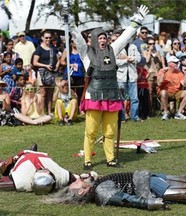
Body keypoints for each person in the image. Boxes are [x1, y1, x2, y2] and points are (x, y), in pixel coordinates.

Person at [70, 5, 149, 169]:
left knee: (110, 132)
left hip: (112, 96)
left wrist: (138, 19)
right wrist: (70, 23)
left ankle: (110, 158)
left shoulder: (113, 50)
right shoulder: (86, 53)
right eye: (99, 38)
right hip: (94, 95)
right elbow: (77, 38)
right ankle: (87, 160)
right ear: (93, 39)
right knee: (91, 132)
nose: (102, 40)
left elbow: (126, 37)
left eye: (104, 38)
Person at [44, 168, 186, 210]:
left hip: (147, 176)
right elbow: (126, 199)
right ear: (81, 192)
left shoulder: (96, 185)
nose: (75, 180)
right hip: (146, 185)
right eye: (75, 184)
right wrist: (150, 203)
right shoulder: (101, 192)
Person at [0, 144, 82, 194]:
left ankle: (1, 165)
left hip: (21, 162)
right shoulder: (61, 175)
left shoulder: (21, 181)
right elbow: (78, 178)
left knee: (7, 168)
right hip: (30, 156)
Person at [33, 30, 60, 115]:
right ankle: (42, 112)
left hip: (52, 73)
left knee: (50, 93)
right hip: (42, 73)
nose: (48, 39)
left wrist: (56, 67)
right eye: (46, 38)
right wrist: (45, 66)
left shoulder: (53, 48)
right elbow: (35, 62)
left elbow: (59, 59)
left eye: (49, 37)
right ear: (42, 38)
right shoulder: (39, 49)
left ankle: (49, 112)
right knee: (43, 93)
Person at [115, 34, 142, 122]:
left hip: (132, 76)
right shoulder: (118, 47)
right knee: (121, 98)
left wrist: (126, 58)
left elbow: (138, 59)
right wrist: (127, 60)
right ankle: (122, 117)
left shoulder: (133, 47)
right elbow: (116, 61)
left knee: (134, 98)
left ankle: (135, 117)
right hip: (121, 76)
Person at [157, 56, 186, 120]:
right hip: (165, 92)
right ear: (169, 63)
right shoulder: (162, 71)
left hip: (176, 92)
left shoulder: (179, 72)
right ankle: (166, 113)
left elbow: (185, 85)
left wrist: (185, 74)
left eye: (177, 62)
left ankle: (179, 113)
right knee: (163, 92)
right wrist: (163, 73)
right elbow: (159, 83)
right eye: (175, 62)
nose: (177, 64)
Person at [60, 36, 85, 109]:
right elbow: (62, 61)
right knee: (70, 91)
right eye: (72, 41)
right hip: (70, 73)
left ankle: (80, 107)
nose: (74, 43)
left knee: (80, 91)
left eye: (75, 41)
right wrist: (69, 64)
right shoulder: (67, 50)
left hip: (80, 73)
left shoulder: (81, 51)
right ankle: (71, 107)